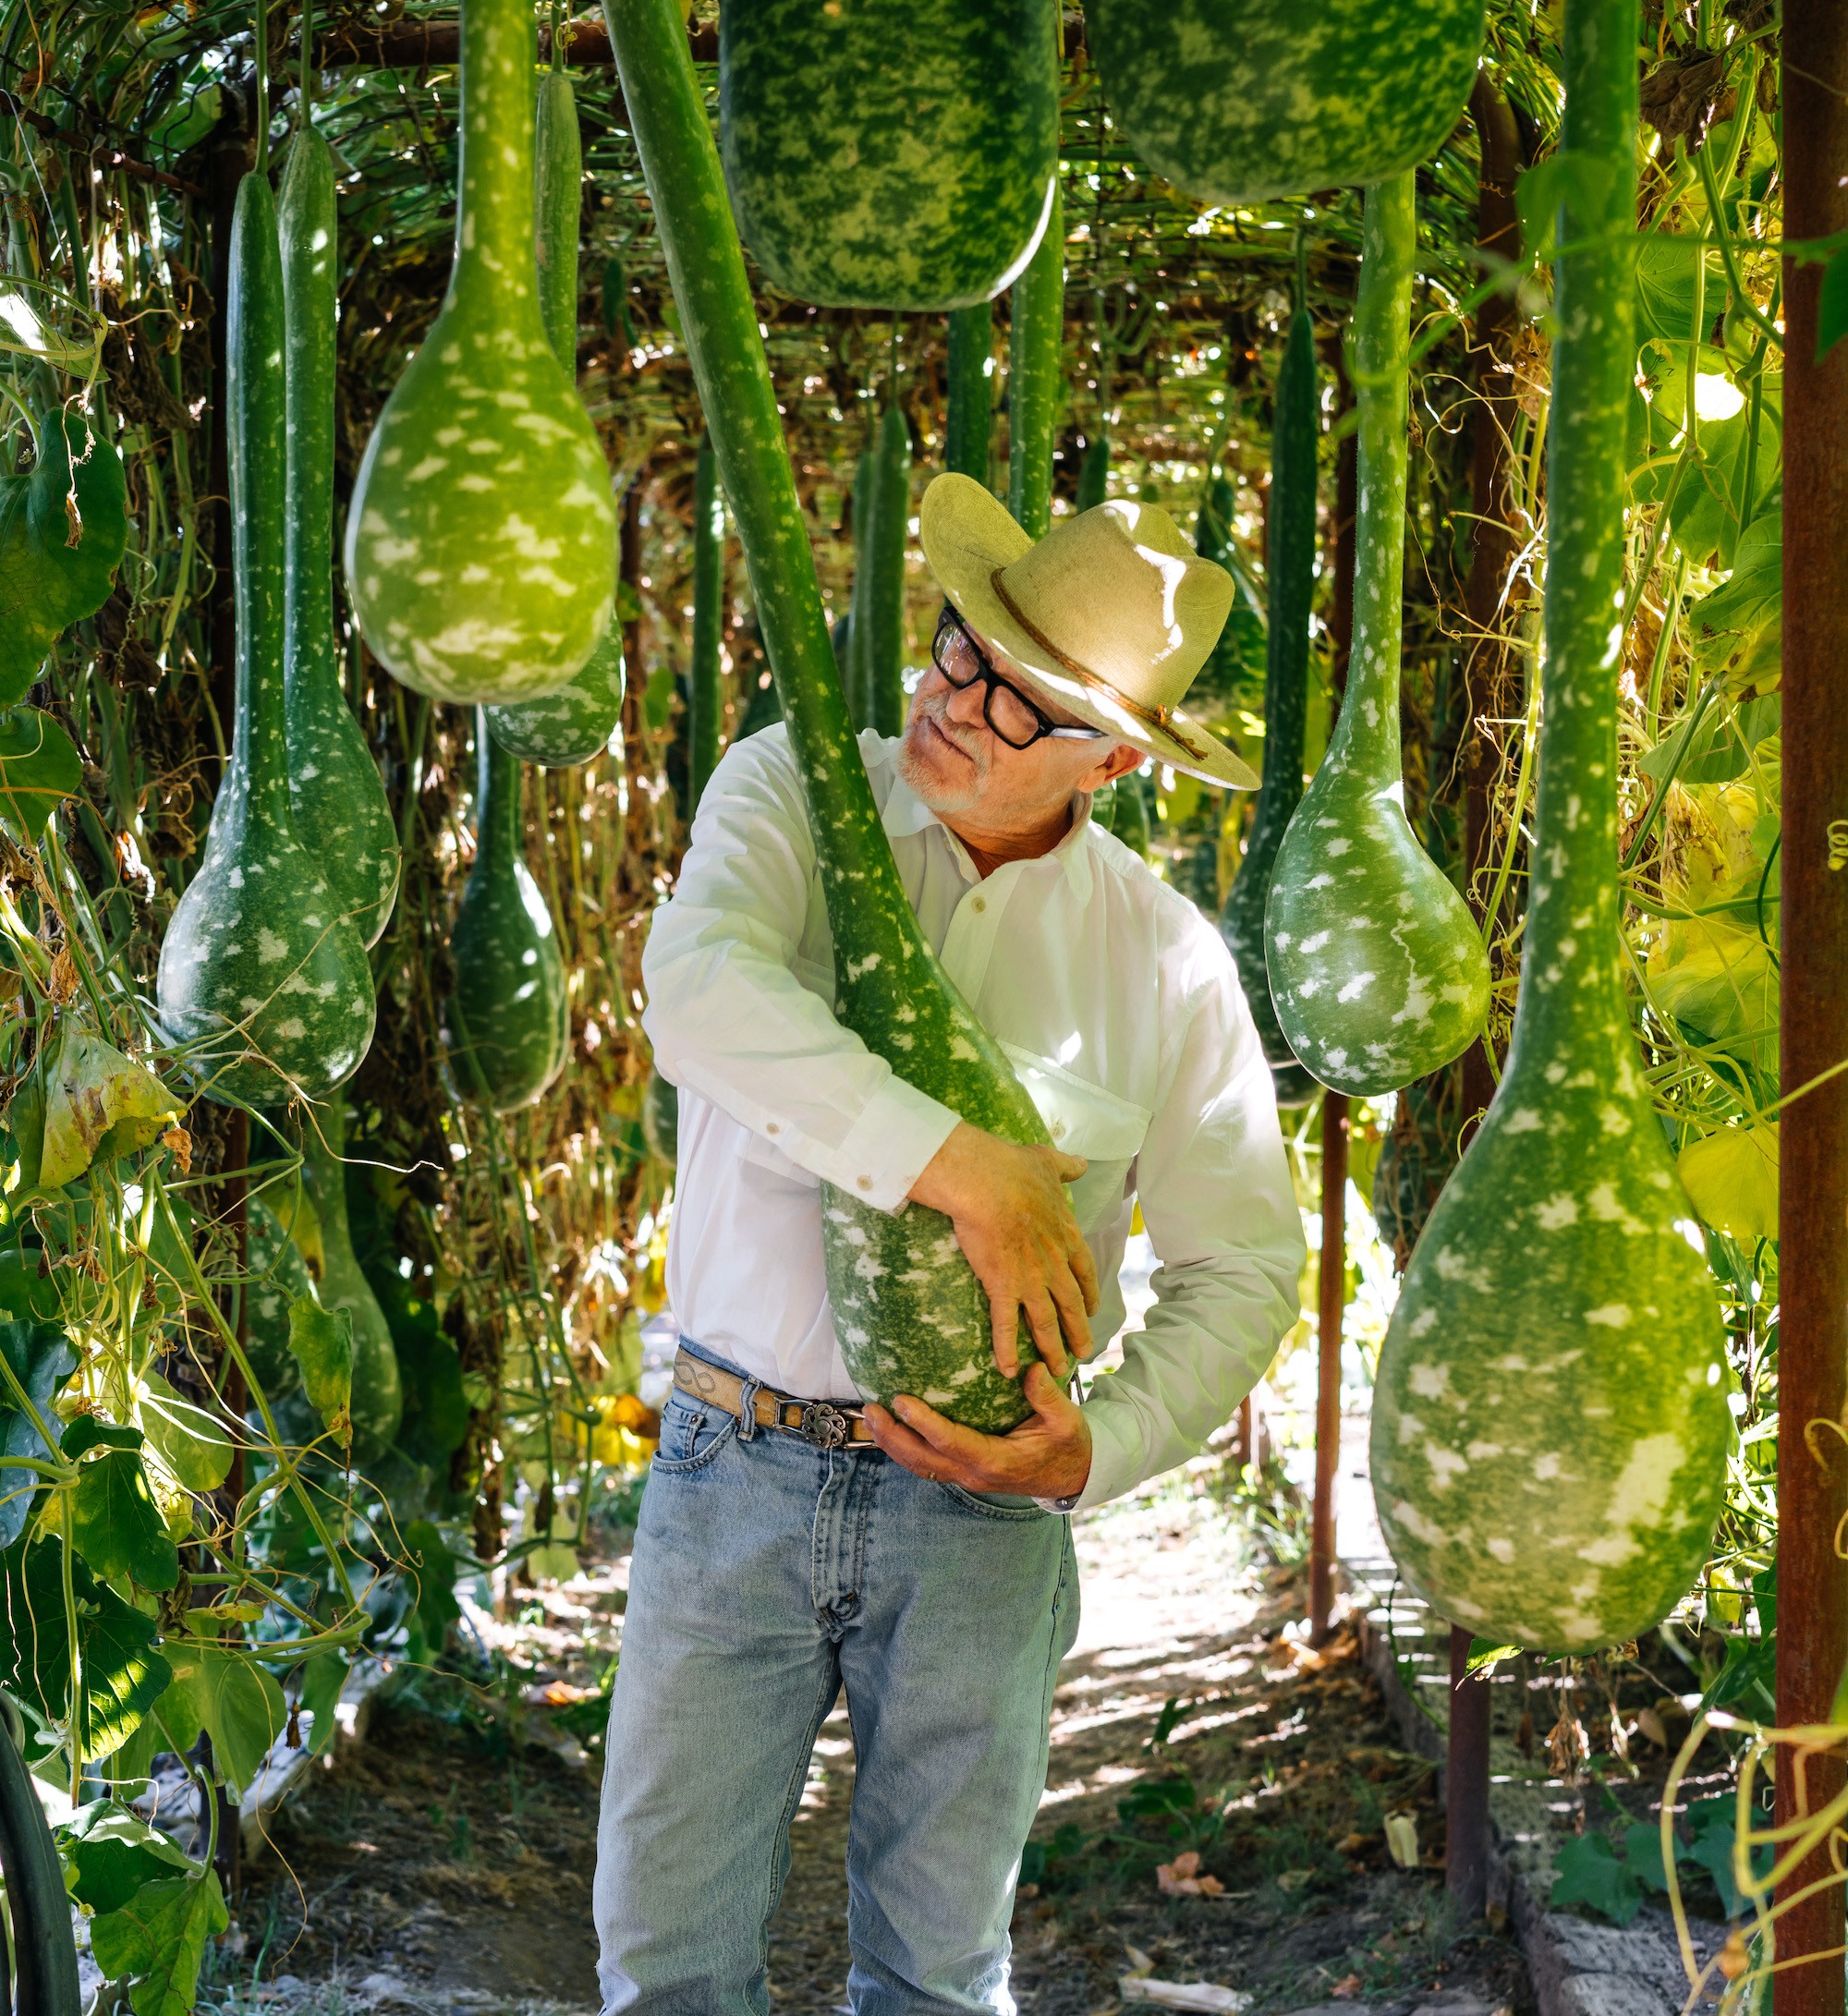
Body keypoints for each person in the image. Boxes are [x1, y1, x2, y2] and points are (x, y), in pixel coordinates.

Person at [594, 472, 1307, 2016]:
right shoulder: (792, 789)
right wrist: (965, 1165)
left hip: (982, 1518)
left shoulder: (1168, 963)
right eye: (957, 648)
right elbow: (701, 989)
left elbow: (1246, 1263)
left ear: (1112, 758)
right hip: (738, 1461)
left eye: (1017, 699)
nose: (954, 699)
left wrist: (1092, 1451)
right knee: (667, 1971)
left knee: (936, 1976)